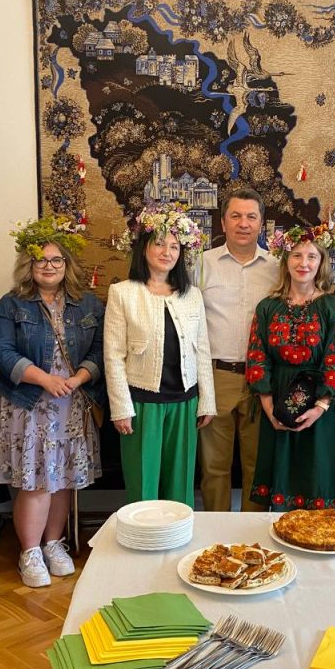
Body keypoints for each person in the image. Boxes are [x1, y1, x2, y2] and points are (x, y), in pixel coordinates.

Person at [0, 214, 104, 588]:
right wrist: (44, 379)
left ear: (67, 264)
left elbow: (101, 349)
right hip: (28, 404)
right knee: (36, 481)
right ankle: (30, 552)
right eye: (41, 260)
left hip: (72, 403)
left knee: (63, 479)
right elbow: (0, 351)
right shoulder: (11, 304)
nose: (49, 266)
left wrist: (78, 378)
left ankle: (53, 544)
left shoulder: (87, 304)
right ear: (29, 264)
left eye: (57, 260)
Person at [104, 202, 216, 506]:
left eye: (174, 246)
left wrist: (207, 400)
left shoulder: (192, 295)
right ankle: (143, 536)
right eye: (159, 244)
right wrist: (121, 407)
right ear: (144, 248)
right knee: (144, 487)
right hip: (143, 403)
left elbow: (202, 350)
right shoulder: (123, 293)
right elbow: (113, 355)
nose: (167, 252)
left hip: (184, 401)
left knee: (180, 486)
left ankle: (179, 535)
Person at [245, 224, 335, 511]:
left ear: (321, 263)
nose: (304, 263)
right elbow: (257, 356)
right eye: (296, 255)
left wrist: (320, 407)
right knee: (279, 481)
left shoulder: (333, 307)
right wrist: (270, 409)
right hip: (277, 401)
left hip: (321, 407)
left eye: (311, 256)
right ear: (285, 261)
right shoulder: (267, 307)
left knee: (318, 479)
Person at [197, 188, 279, 512]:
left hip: (263, 380)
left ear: (261, 223)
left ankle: (250, 534)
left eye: (251, 217)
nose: (243, 223)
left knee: (256, 466)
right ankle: (217, 531)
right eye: (236, 216)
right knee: (214, 466)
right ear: (223, 222)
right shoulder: (201, 264)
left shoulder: (278, 268)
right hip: (217, 375)